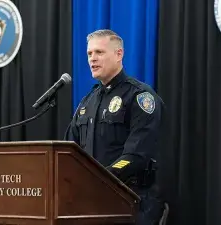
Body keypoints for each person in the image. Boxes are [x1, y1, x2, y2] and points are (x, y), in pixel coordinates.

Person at [65, 29, 165, 225]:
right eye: (89, 54)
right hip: (90, 203)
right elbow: (69, 149)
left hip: (129, 200)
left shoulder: (140, 97)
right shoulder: (87, 102)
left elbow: (136, 155)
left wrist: (100, 179)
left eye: (99, 52)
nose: (92, 59)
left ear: (119, 54)